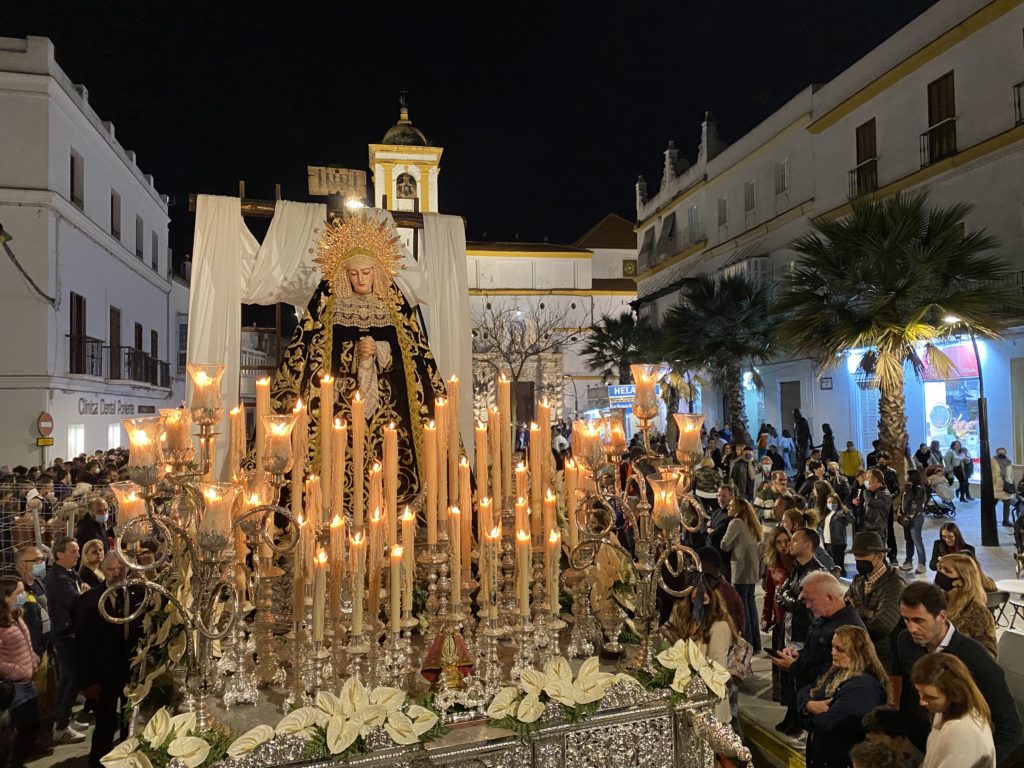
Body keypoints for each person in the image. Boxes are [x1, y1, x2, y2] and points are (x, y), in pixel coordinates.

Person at [269, 211, 450, 508]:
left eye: (366, 272)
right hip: (337, 414)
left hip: (391, 419)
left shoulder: (393, 308)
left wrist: (380, 351)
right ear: (343, 274)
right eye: (353, 274)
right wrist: (353, 355)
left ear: (377, 270)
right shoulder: (328, 309)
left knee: (392, 472)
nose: (360, 279)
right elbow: (310, 359)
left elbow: (415, 365)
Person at [893, 582, 1021, 764]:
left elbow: (1011, 728)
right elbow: (907, 692)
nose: (912, 628)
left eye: (919, 620)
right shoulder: (905, 641)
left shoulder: (975, 658)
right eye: (906, 620)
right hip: (918, 745)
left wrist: (983, 763)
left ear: (941, 616)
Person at [74, 553, 143, 768]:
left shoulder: (139, 594)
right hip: (103, 674)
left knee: (130, 720)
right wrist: (87, 682)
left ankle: (126, 759)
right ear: (104, 571)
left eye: (122, 569)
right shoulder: (88, 601)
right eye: (112, 569)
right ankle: (98, 762)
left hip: (131, 670)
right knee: (105, 723)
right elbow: (82, 645)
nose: (118, 573)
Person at [796, 625, 888, 768]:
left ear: (857, 652)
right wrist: (809, 706)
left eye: (840, 649)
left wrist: (804, 714)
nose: (833, 652)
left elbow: (827, 724)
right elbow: (804, 691)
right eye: (832, 647)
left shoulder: (863, 686)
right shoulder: (835, 671)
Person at [661, 572, 737, 725]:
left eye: (702, 597)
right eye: (694, 596)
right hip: (689, 698)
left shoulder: (719, 626)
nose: (698, 600)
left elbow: (717, 669)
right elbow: (670, 642)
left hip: (710, 704)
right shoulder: (683, 616)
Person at [772, 529, 825, 735]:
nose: (790, 544)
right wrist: (789, 600)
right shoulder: (796, 568)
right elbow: (781, 593)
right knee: (790, 676)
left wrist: (789, 600)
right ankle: (792, 712)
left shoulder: (815, 573)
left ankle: (800, 716)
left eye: (795, 540)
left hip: (804, 633)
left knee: (802, 676)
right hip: (789, 630)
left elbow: (802, 605)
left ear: (808, 545)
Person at [912, 653, 995, 768]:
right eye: (919, 693)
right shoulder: (944, 711)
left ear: (955, 694)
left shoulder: (962, 731)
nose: (922, 702)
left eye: (931, 697)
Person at [0, 576, 50, 767]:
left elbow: (25, 643)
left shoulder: (16, 616)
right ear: (5, 597)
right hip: (14, 686)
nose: (23, 596)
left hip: (27, 681)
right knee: (17, 730)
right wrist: (14, 671)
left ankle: (19, 761)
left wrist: (33, 659)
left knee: (33, 725)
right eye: (18, 593)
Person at [44, 536, 86, 743]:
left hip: (71, 632)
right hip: (65, 634)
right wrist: (84, 594)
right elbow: (76, 601)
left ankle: (65, 717)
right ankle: (61, 726)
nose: (78, 555)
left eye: (78, 550)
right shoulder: (58, 579)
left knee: (71, 679)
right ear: (59, 554)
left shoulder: (69, 574)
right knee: (72, 678)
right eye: (73, 551)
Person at [847, 531, 905, 673]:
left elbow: (882, 627)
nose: (858, 560)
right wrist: (868, 614)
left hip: (885, 660)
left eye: (863, 556)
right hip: (860, 655)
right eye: (856, 556)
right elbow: (843, 609)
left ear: (880, 556)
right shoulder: (858, 580)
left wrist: (855, 612)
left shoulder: (894, 584)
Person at [720, 498, 763, 652]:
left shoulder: (736, 523)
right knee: (750, 604)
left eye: (731, 506)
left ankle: (747, 642)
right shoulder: (752, 523)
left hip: (740, 569)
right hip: (751, 569)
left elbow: (724, 545)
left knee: (741, 605)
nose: (728, 508)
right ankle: (756, 643)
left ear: (738, 508)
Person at [936, 553, 997, 658]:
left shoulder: (977, 612)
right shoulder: (936, 601)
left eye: (947, 571)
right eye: (940, 569)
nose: (940, 574)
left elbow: (990, 654)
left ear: (963, 579)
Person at [762, 526, 793, 702]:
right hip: (779, 618)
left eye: (786, 541)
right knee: (779, 657)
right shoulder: (772, 566)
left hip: (795, 619)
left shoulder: (796, 563)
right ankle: (782, 695)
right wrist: (766, 617)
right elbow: (769, 593)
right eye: (778, 542)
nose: (783, 546)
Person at [899, 470, 928, 574]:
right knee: (909, 541)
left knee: (917, 541)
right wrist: (900, 511)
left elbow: (915, 502)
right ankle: (908, 562)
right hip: (906, 518)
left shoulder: (919, 488)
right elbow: (904, 501)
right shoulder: (908, 488)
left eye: (907, 475)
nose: (905, 476)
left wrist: (909, 488)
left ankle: (922, 564)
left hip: (915, 518)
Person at [862, 468, 892, 552]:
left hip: (878, 531)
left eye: (867, 478)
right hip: (868, 529)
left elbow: (871, 503)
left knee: (879, 557)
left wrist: (866, 492)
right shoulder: (872, 493)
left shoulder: (884, 494)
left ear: (874, 480)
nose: (866, 481)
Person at [822, 491, 850, 577]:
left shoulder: (841, 513)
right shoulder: (828, 514)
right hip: (828, 542)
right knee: (830, 565)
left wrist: (847, 512)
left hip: (837, 543)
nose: (831, 504)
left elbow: (851, 519)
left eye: (833, 502)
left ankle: (843, 581)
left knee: (839, 565)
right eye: (829, 502)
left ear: (838, 502)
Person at [993, 448, 1015, 527]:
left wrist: (1012, 482)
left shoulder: (1008, 462)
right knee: (992, 504)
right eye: (999, 452)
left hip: (1007, 485)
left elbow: (1011, 474)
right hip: (996, 486)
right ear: (996, 453)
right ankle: (991, 521)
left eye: (1003, 452)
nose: (1001, 454)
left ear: (1005, 453)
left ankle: (1006, 521)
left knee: (1007, 504)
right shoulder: (993, 461)